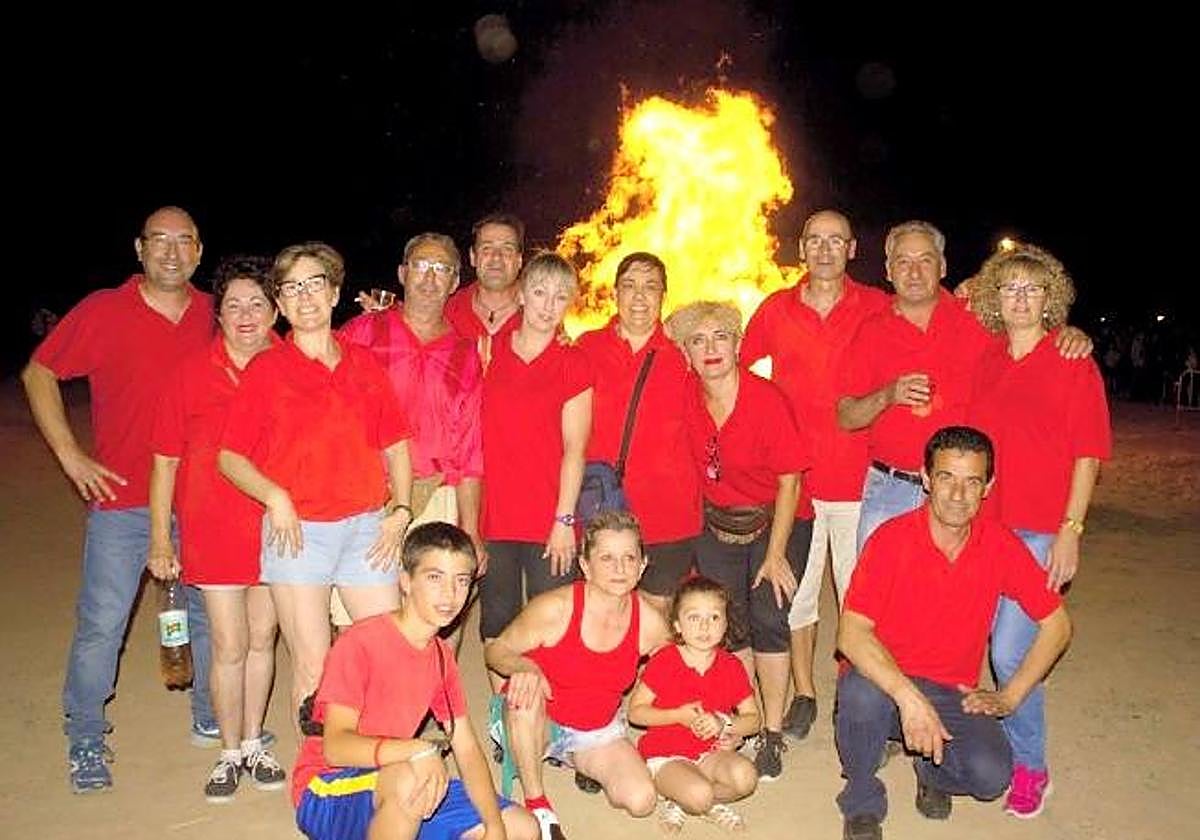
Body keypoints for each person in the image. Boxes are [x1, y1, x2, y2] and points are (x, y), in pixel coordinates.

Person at [21, 205, 219, 792]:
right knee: (103, 622)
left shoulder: (217, 312)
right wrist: (71, 456)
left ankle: (210, 714)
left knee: (211, 618)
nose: (171, 252)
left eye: (184, 241)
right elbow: (39, 373)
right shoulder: (105, 310)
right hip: (124, 501)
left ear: (200, 252)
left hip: (203, 501)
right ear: (139, 249)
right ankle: (85, 733)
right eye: (159, 241)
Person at [835, 426, 1072, 840]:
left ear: (988, 487)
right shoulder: (891, 540)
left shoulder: (999, 544)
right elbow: (851, 635)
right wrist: (908, 698)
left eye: (972, 482)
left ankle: (931, 771)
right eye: (946, 477)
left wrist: (1010, 695)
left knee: (991, 776)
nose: (958, 495)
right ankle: (862, 800)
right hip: (887, 686)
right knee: (857, 690)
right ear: (926, 478)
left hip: (952, 690)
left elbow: (1058, 625)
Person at [218, 242, 414, 727]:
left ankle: (374, 768)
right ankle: (316, 786)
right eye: (292, 288)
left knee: (384, 655)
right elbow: (229, 457)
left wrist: (402, 511)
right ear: (280, 305)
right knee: (313, 664)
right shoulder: (266, 371)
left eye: (315, 284)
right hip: (299, 534)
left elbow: (397, 445)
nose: (305, 297)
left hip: (366, 529)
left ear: (334, 294)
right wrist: (274, 495)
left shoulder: (364, 364)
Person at [837, 221, 1091, 553]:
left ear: (942, 267)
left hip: (959, 495)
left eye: (925, 260)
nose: (914, 271)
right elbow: (846, 417)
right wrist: (888, 395)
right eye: (902, 261)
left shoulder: (976, 320)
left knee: (952, 600)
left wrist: (1068, 333)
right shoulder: (870, 331)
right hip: (890, 490)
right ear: (888, 270)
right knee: (879, 598)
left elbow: (1029, 328)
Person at [966, 243, 1110, 818]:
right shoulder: (989, 358)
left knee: (1007, 651)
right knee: (994, 643)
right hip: (988, 528)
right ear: (995, 298)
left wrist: (1071, 529)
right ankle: (1006, 744)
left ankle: (1032, 766)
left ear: (1050, 299)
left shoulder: (1073, 360)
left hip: (1040, 532)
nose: (1020, 299)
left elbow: (1088, 453)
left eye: (1032, 289)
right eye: (1009, 288)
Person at [741, 209, 889, 740]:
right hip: (794, 487)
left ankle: (855, 693)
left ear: (852, 249)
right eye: (814, 240)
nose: (825, 249)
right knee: (797, 597)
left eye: (836, 240)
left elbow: (930, 327)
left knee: (858, 598)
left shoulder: (877, 306)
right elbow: (734, 369)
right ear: (800, 248)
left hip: (857, 482)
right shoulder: (777, 309)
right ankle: (804, 691)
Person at [293, 522, 538, 840]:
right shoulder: (360, 643)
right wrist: (416, 750)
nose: (450, 594)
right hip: (328, 788)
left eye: (461, 581)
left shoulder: (440, 656)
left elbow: (465, 747)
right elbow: (336, 748)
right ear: (405, 581)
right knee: (412, 779)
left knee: (523, 828)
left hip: (395, 778)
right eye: (434, 578)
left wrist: (494, 826)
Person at [148, 255, 285, 802]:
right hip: (213, 529)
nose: (246, 314)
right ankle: (229, 752)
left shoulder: (290, 364)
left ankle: (254, 741)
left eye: (257, 303)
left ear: (276, 309)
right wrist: (161, 539)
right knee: (228, 644)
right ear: (219, 314)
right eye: (233, 305)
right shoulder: (190, 374)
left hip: (278, 530)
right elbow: (164, 464)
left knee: (264, 639)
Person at [666, 300, 812, 782]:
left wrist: (774, 555)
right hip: (717, 523)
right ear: (686, 352)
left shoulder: (765, 399)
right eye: (698, 340)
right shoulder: (686, 392)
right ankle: (739, 723)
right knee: (730, 621)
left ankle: (770, 731)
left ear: (738, 344)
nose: (710, 349)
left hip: (778, 519)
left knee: (769, 614)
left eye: (720, 337)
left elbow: (791, 482)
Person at [484, 511, 671, 840]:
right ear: (585, 565)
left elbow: (676, 673)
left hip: (594, 729)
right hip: (539, 720)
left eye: (630, 557)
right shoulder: (555, 608)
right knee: (525, 693)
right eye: (607, 558)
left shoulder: (650, 623)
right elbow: (496, 651)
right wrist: (525, 667)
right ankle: (537, 801)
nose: (620, 568)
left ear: (642, 565)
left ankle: (573, 760)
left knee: (641, 800)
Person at [338, 232, 484, 635]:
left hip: (437, 494)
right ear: (403, 273)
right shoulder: (360, 334)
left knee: (432, 620)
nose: (430, 277)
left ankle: (428, 699)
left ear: (455, 282)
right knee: (359, 622)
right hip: (367, 494)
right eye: (421, 265)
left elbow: (470, 451)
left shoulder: (465, 352)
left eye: (442, 270)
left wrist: (470, 528)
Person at [478, 252, 592, 658]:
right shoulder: (488, 351)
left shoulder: (573, 362)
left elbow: (575, 450)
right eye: (540, 292)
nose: (548, 306)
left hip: (549, 515)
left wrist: (564, 520)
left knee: (552, 619)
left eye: (560, 297)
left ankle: (550, 713)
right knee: (497, 621)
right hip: (494, 514)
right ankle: (500, 715)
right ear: (521, 294)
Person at [576, 252, 702, 613]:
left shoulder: (683, 353)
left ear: (664, 295)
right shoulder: (586, 348)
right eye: (629, 286)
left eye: (651, 287)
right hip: (603, 506)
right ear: (614, 292)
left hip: (669, 512)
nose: (640, 297)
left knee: (655, 614)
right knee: (602, 609)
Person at [628, 576, 760, 833]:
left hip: (711, 753)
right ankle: (685, 799)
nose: (704, 626)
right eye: (693, 618)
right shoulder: (665, 661)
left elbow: (754, 718)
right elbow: (635, 713)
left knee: (746, 778)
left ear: (725, 624)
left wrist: (725, 724)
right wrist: (677, 716)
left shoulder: (731, 665)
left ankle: (693, 801)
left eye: (714, 617)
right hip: (667, 754)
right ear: (677, 625)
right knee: (699, 795)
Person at [444, 213, 525, 352]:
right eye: (487, 248)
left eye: (507, 249)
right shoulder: (447, 312)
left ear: (519, 260)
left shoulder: (542, 313)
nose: (497, 257)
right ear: (473, 257)